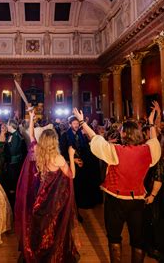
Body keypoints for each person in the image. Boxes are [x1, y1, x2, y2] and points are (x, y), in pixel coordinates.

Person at [74, 102, 161, 263]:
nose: (120, 134)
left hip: (116, 199)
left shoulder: (117, 151)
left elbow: (95, 139)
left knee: (114, 237)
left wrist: (82, 122)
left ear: (126, 135)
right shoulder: (147, 151)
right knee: (137, 238)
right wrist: (151, 123)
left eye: (121, 132)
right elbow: (155, 142)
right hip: (137, 200)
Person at [21, 110, 79, 262]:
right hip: (53, 199)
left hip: (39, 195)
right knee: (53, 225)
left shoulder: (38, 151)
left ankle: (39, 249)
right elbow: (71, 175)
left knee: (41, 225)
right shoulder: (58, 158)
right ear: (54, 141)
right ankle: (51, 252)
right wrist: (71, 157)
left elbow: (32, 137)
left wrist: (32, 118)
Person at [14, 110, 55, 260]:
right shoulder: (48, 152)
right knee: (41, 213)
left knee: (33, 212)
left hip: (34, 184)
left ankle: (33, 240)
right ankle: (42, 240)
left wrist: (31, 118)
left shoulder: (34, 147)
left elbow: (31, 134)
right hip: (40, 185)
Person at [60, 116, 102, 213]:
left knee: (83, 183)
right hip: (72, 163)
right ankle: (75, 203)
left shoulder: (81, 134)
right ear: (70, 124)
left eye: (77, 124)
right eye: (74, 124)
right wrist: (73, 159)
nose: (76, 125)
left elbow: (86, 147)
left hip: (82, 162)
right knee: (75, 184)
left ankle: (83, 202)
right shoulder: (65, 135)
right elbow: (63, 151)